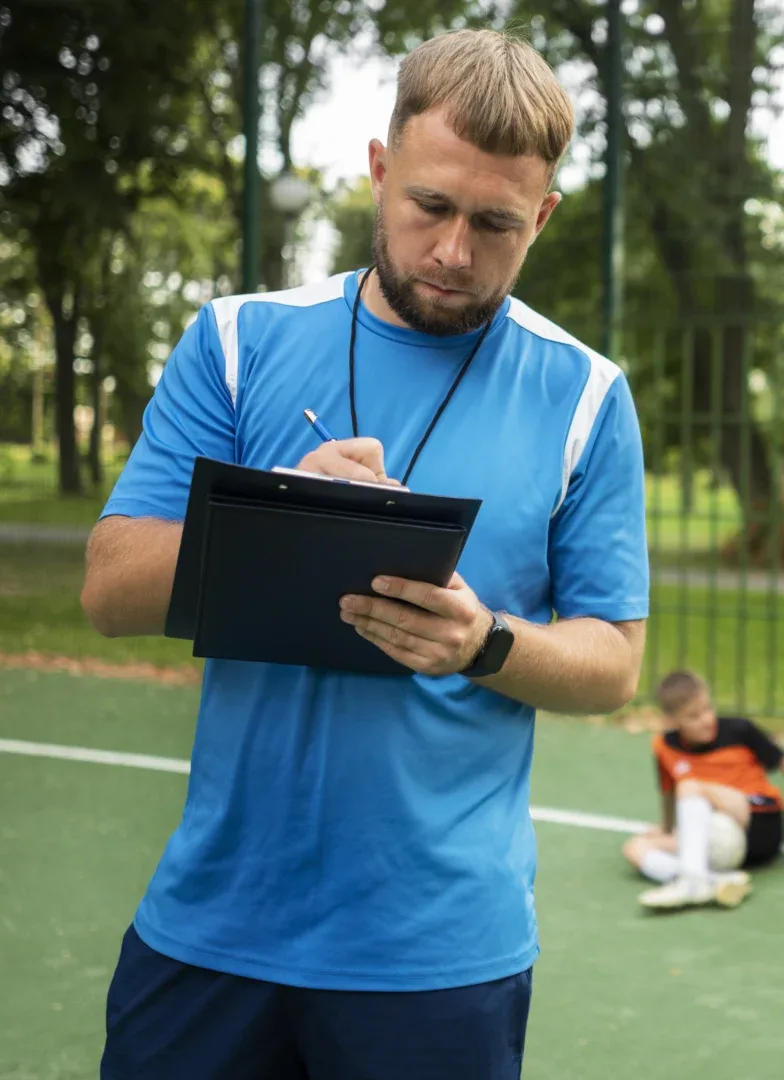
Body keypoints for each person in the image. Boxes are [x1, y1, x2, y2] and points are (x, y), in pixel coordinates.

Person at [82, 29, 649, 1080]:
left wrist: (486, 643)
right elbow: (110, 589)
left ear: (546, 217)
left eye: (496, 224)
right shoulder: (238, 341)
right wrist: (277, 511)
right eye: (432, 206)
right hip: (213, 927)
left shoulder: (585, 397)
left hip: (440, 958)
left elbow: (613, 661)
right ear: (380, 169)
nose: (453, 252)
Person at [624, 670, 784, 911]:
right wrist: (667, 828)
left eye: (708, 709)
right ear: (671, 721)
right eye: (694, 716)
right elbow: (669, 793)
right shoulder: (663, 747)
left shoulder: (740, 731)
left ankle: (692, 881)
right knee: (635, 848)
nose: (706, 719)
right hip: (719, 829)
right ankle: (711, 882)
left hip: (761, 821)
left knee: (691, 786)